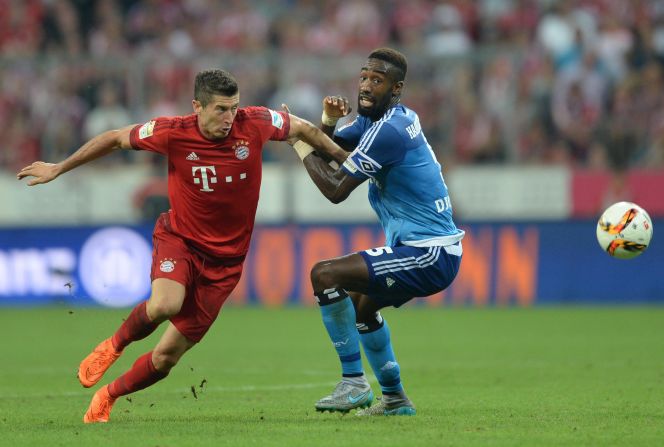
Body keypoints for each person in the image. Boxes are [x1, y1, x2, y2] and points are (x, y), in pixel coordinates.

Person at [17, 69, 348, 424]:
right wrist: (59, 167)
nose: (229, 117)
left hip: (225, 266)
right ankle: (114, 345)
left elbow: (303, 129)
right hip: (181, 241)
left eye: (234, 108)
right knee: (164, 304)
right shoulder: (173, 131)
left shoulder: (254, 123)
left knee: (165, 359)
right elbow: (114, 138)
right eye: (221, 109)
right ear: (197, 106)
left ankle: (108, 396)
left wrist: (347, 160)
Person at [288, 48, 464, 416]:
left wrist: (299, 140)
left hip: (429, 253)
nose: (366, 86)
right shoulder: (377, 121)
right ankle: (396, 400)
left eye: (377, 80)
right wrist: (326, 123)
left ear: (396, 88)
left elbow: (335, 189)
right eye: (364, 77)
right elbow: (332, 151)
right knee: (361, 307)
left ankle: (353, 383)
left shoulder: (391, 132)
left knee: (325, 274)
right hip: (427, 250)